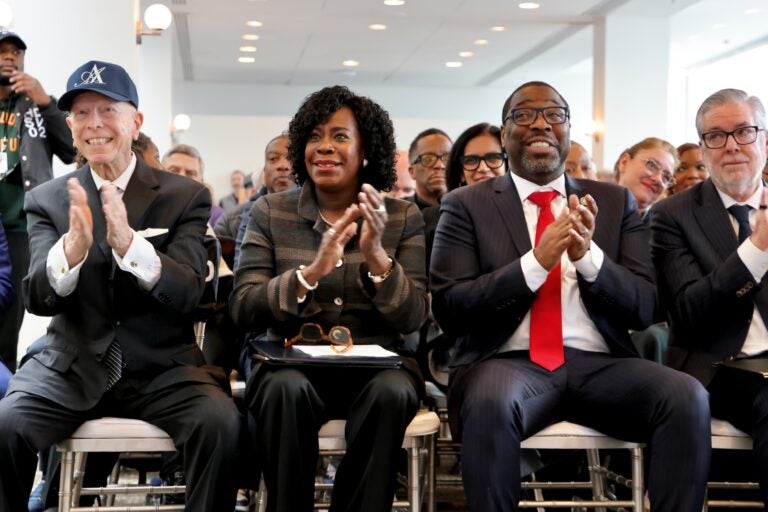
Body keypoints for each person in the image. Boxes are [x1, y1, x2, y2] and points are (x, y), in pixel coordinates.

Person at [429, 80, 711, 512]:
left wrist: (589, 258)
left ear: (568, 129)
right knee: (490, 402)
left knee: (685, 395)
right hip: (507, 364)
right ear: (504, 135)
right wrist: (535, 263)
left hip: (600, 365)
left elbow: (645, 305)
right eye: (524, 115)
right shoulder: (466, 204)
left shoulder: (613, 202)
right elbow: (451, 307)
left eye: (554, 114)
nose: (541, 124)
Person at [0, 60, 241, 511]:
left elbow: (189, 291)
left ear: (135, 121)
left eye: (108, 110)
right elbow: (36, 298)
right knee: (5, 425)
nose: (94, 125)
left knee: (221, 424)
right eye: (81, 113)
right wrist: (70, 251)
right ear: (70, 126)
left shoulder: (184, 196)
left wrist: (131, 245)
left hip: (164, 369)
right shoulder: (48, 199)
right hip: (70, 366)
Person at [230, 85, 429, 512]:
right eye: (315, 136)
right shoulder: (270, 212)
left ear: (366, 150)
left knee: (393, 392)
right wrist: (309, 274)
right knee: (285, 389)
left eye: (340, 136)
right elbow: (244, 306)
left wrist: (377, 259)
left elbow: (414, 317)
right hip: (289, 363)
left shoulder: (402, 217)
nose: (325, 147)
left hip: (378, 368)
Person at [650, 88, 768, 506]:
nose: (732, 145)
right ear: (702, 150)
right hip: (718, 367)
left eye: (744, 132)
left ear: (765, 141)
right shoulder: (671, 216)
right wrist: (757, 249)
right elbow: (689, 312)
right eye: (716, 136)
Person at [0, 29, 76, 372]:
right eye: (2, 51)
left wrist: (47, 103)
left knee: (9, 313)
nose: (9, 56)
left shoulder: (37, 105)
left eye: (16, 51)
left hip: (20, 226)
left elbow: (72, 149)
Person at [613, 137, 678, 219]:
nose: (658, 179)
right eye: (652, 165)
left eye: (666, 177)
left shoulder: (664, 227)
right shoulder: (594, 209)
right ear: (624, 162)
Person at [163, 143, 225, 226]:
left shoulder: (217, 216)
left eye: (191, 173)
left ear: (201, 181)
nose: (182, 177)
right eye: (173, 170)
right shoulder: (145, 210)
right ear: (160, 173)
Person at [445, 122, 505, 191]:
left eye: (493, 158)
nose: (483, 168)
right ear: (461, 173)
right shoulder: (450, 201)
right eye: (471, 160)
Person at [407, 127, 452, 209]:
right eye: (428, 159)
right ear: (412, 172)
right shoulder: (396, 213)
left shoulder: (470, 209)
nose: (440, 165)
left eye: (447, 158)